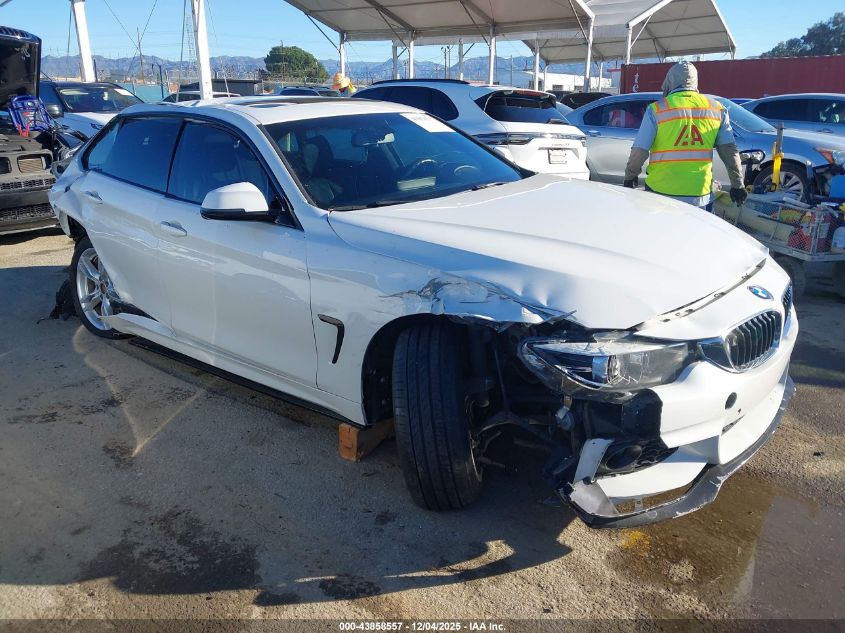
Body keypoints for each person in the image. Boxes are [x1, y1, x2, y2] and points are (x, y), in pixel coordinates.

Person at [623, 61, 747, 211]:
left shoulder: (656, 109)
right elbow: (729, 151)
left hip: (661, 192)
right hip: (700, 195)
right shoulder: (717, 109)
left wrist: (630, 177)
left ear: (669, 81)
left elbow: (640, 150)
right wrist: (738, 184)